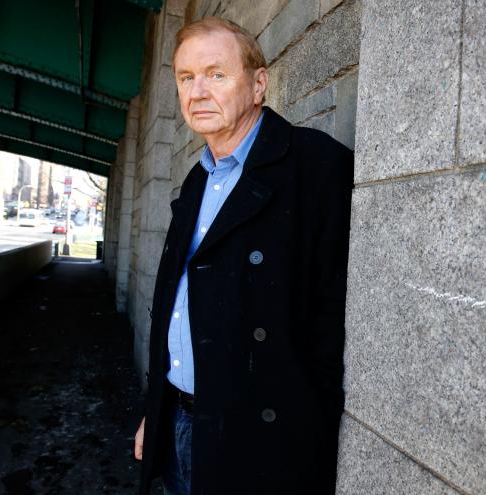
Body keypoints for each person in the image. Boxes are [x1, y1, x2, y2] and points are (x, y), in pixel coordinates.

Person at [132, 16, 353, 495]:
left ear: (258, 85)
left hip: (260, 448)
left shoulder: (316, 167)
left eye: (216, 74)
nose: (197, 92)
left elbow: (333, 324)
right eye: (186, 78)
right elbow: (174, 309)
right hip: (180, 425)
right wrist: (156, 412)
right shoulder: (196, 182)